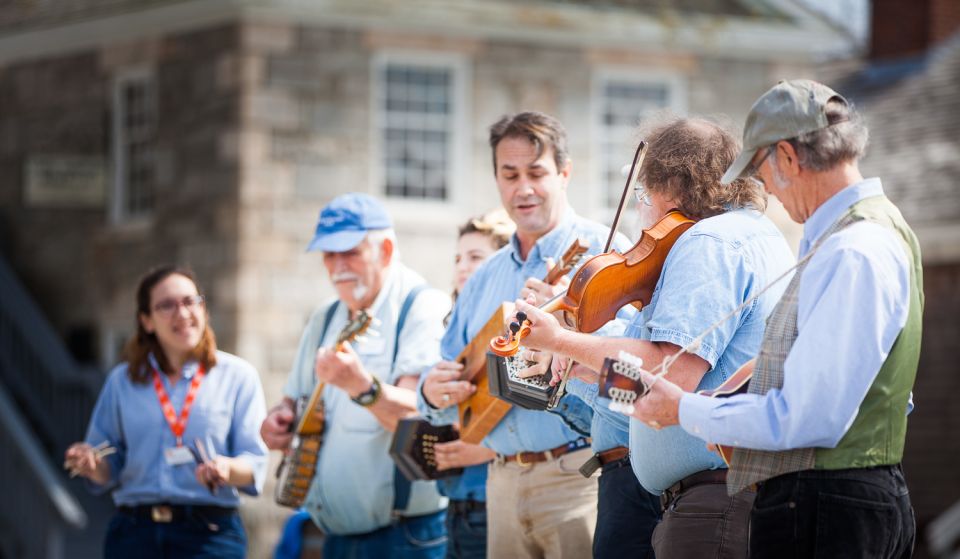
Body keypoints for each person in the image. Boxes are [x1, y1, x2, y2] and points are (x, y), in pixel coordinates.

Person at [628, 80, 921, 558]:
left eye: (761, 169)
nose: (763, 188)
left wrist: (685, 410)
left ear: (787, 156)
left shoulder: (854, 247)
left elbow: (809, 418)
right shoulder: (864, 233)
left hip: (831, 504)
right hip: (838, 502)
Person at [515, 115, 795, 558]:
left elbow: (672, 374)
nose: (642, 213)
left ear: (674, 187)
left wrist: (561, 342)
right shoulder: (760, 234)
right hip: (722, 495)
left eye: (644, 194)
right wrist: (587, 372)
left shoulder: (710, 241)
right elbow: (660, 396)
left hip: (714, 501)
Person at [418, 111, 632, 559]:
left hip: (576, 476)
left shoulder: (606, 253)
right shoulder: (484, 275)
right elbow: (448, 367)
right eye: (510, 174)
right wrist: (430, 392)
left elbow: (637, 366)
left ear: (565, 173)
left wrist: (570, 323)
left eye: (536, 173)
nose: (524, 188)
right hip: (500, 483)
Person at [259, 193, 450, 558]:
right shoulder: (325, 317)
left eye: (349, 252)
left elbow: (419, 421)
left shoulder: (422, 307)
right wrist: (277, 421)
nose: (337, 266)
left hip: (406, 538)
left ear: (386, 250)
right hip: (335, 537)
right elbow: (293, 400)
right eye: (328, 255)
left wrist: (361, 388)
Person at [64, 265, 268, 558]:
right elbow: (109, 462)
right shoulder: (121, 381)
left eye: (190, 301)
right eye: (167, 305)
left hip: (209, 535)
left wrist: (226, 469)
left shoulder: (239, 376)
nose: (182, 313)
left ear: (203, 309)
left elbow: (255, 463)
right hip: (134, 535)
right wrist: (91, 463)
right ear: (146, 321)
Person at [428, 210, 514, 559]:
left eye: (475, 257)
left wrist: (488, 447)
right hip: (455, 503)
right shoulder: (452, 330)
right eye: (458, 259)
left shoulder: (512, 328)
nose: (462, 267)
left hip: (496, 502)